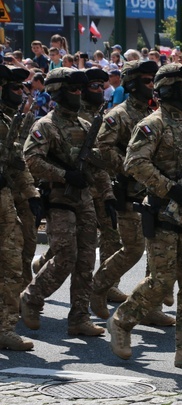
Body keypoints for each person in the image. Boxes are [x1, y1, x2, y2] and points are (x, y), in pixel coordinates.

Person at [107, 63, 182, 368]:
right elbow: (135, 163)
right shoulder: (152, 125)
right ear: (169, 88)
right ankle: (121, 321)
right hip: (162, 215)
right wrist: (169, 188)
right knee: (161, 281)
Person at [20, 68, 117, 337]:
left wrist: (108, 196)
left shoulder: (86, 127)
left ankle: (79, 317)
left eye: (79, 89)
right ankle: (32, 297)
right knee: (65, 256)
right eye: (73, 90)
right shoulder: (45, 126)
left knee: (86, 261)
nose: (78, 94)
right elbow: (32, 160)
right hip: (60, 199)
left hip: (84, 200)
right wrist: (64, 175)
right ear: (58, 93)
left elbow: (98, 168)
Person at [89, 60, 164, 324]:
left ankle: (150, 307)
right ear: (131, 84)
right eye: (146, 80)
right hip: (129, 191)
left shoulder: (155, 113)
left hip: (154, 191)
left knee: (158, 252)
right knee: (132, 249)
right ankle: (98, 287)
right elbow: (102, 148)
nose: (152, 85)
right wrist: (132, 167)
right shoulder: (118, 115)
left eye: (153, 80)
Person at [0, 65, 38, 351]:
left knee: (12, 262)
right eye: (13, 87)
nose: (20, 93)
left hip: (5, 199)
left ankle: (4, 327)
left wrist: (31, 194)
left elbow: (16, 159)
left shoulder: (6, 120)